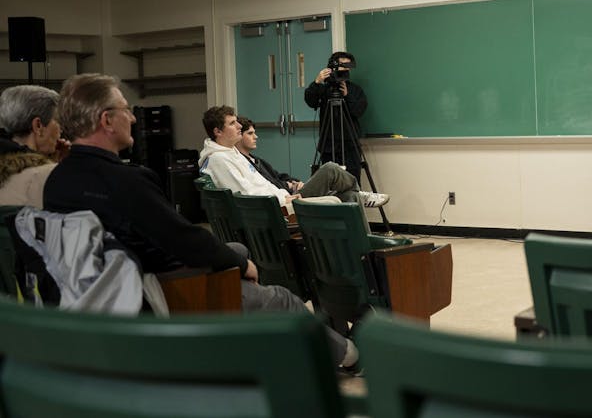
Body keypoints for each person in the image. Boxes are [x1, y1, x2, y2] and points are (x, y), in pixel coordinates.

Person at [42, 74, 357, 368]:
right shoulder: (125, 180)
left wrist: (233, 258)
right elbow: (181, 239)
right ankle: (349, 355)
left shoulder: (58, 181)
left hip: (100, 287)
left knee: (236, 250)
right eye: (126, 109)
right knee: (279, 297)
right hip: (159, 287)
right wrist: (240, 265)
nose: (133, 118)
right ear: (106, 120)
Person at [199, 107, 388, 207]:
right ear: (218, 131)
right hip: (277, 208)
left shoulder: (232, 154)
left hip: (282, 199)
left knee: (349, 196)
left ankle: (363, 249)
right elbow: (245, 195)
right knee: (330, 169)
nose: (239, 126)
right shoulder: (219, 160)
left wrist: (287, 190)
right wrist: (284, 198)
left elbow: (265, 183)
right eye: (233, 123)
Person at [0, 85, 67, 207]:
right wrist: (64, 168)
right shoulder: (45, 176)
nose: (61, 129)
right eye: (58, 121)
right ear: (38, 126)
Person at [304, 51, 368, 180]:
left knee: (352, 181)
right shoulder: (324, 89)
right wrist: (317, 82)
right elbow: (311, 102)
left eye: (347, 66)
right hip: (329, 145)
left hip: (350, 145)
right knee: (330, 182)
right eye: (342, 66)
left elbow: (358, 111)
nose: (345, 69)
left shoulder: (355, 90)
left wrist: (347, 96)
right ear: (332, 67)